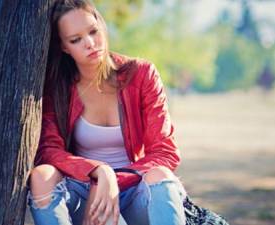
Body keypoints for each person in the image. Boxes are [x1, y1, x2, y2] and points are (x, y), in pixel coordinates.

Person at [27, 0, 187, 225]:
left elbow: (165, 150)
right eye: (76, 40)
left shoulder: (141, 74)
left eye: (93, 31)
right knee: (41, 176)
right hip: (83, 191)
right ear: (64, 46)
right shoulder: (57, 87)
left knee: (161, 174)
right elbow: (49, 150)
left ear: (102, 25)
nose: (90, 43)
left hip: (134, 188)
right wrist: (98, 172)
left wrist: (113, 179)